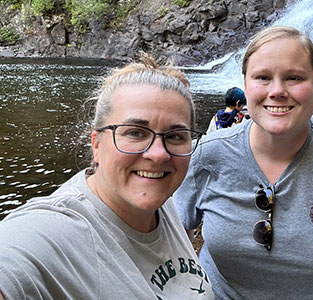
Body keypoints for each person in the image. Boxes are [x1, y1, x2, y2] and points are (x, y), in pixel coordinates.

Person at [174, 26, 313, 299]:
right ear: (246, 84)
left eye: (293, 77)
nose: (277, 90)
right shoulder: (208, 155)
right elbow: (167, 245)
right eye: (263, 77)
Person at [0, 53, 214, 299]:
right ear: (97, 144)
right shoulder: (55, 230)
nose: (158, 154)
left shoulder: (161, 199)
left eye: (175, 136)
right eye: (135, 132)